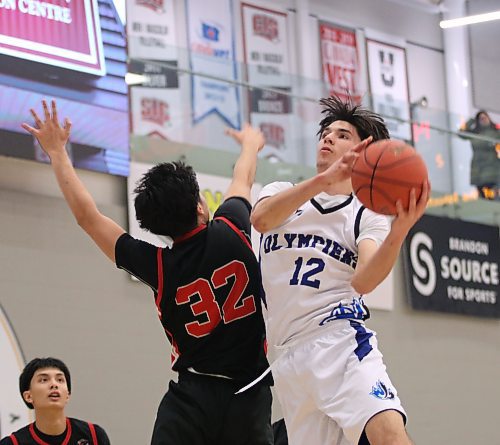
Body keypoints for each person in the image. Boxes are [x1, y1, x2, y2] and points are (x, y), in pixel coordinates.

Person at [21, 100, 273, 445]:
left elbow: (88, 217)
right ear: (201, 206)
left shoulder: (157, 265)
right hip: (249, 393)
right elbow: (243, 176)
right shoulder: (232, 225)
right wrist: (249, 144)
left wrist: (57, 152)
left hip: (192, 397)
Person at [251, 96, 430, 445]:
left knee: (389, 437)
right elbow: (260, 220)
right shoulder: (282, 193)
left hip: (340, 344)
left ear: (366, 153)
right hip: (287, 357)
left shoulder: (365, 214)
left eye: (342, 134)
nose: (328, 138)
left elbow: (363, 280)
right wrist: (322, 181)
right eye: (326, 133)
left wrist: (399, 231)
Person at [0, 357, 109, 445]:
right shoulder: (13, 443)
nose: (54, 384)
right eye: (44, 380)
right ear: (28, 396)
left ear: (68, 394)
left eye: (60, 380)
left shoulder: (94, 436)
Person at [459, 110, 500, 199]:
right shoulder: (475, 133)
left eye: (485, 117)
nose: (483, 120)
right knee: (482, 197)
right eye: (481, 118)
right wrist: (471, 121)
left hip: (492, 168)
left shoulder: (495, 132)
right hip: (478, 169)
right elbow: (461, 133)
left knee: (494, 196)